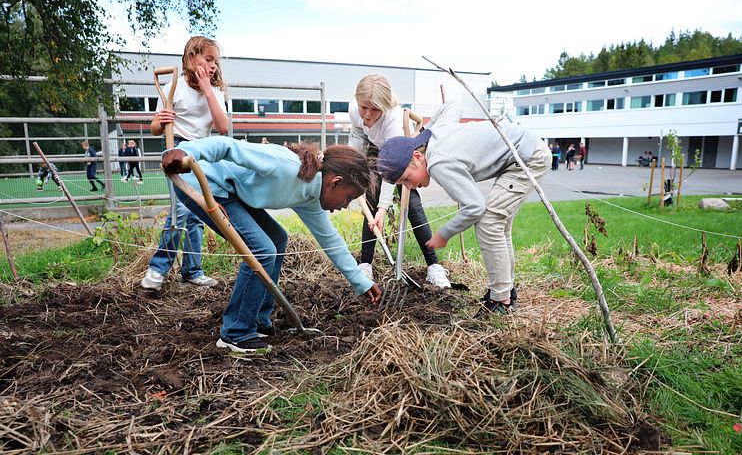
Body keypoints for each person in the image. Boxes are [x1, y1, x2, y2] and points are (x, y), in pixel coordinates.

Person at [161, 136, 382, 353]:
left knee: (277, 239)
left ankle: (258, 320)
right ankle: (236, 333)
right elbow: (227, 146)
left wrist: (360, 281)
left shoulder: (311, 195)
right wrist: (187, 153)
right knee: (262, 249)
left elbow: (331, 241)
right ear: (336, 182)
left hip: (233, 193)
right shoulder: (284, 166)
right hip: (204, 185)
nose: (345, 206)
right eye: (348, 198)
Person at [377, 99, 550, 316]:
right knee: (498, 224)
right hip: (524, 151)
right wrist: (425, 130)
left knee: (489, 222)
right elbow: (453, 104)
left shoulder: (438, 163)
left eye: (406, 179)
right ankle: (504, 291)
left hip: (527, 157)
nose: (409, 186)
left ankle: (501, 301)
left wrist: (444, 233)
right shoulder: (435, 134)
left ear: (418, 156)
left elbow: (475, 207)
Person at [141, 35, 230, 291]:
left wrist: (207, 89)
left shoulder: (215, 91)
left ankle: (192, 271)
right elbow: (155, 128)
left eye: (216, 61)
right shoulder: (174, 86)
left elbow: (222, 127)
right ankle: (157, 270)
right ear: (192, 58)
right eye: (208, 59)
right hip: (176, 148)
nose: (213, 66)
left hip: (201, 150)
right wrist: (162, 119)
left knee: (197, 212)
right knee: (181, 210)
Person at [348, 74, 451, 288]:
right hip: (375, 148)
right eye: (363, 107)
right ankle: (365, 264)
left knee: (412, 205)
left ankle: (434, 267)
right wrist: (352, 163)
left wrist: (384, 210)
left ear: (384, 107)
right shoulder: (354, 109)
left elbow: (392, 172)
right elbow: (358, 134)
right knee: (370, 202)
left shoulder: (393, 121)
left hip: (399, 152)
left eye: (374, 109)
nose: (367, 114)